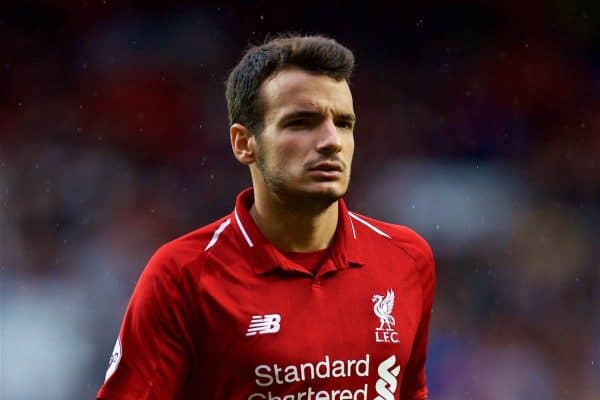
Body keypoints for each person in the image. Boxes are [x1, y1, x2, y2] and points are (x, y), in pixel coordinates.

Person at [97, 34, 435, 400]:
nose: (331, 140)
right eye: (301, 122)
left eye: (343, 123)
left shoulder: (406, 259)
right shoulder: (183, 276)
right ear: (244, 143)